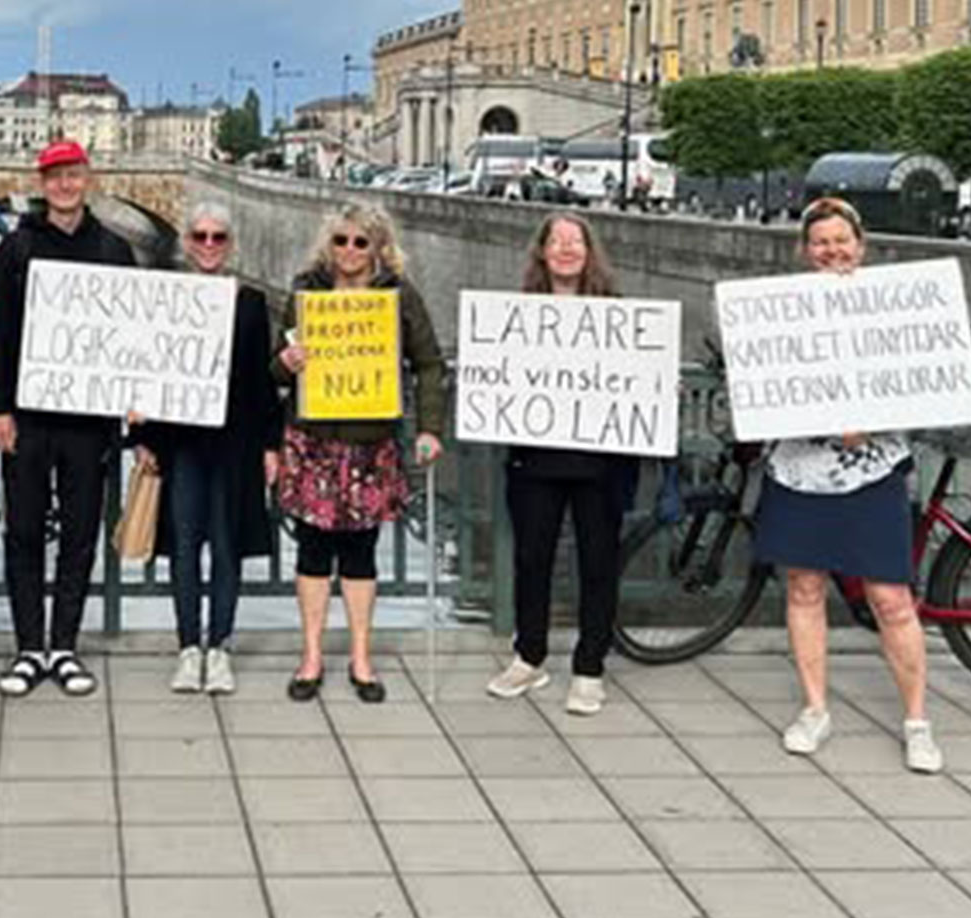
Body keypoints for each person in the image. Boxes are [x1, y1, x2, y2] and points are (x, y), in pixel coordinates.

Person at [752, 198, 942, 773]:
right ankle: (815, 708)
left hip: (872, 468)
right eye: (820, 242)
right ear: (805, 250)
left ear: (861, 245)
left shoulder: (895, 309)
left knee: (891, 597)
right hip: (799, 468)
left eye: (842, 240)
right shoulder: (782, 311)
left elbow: (925, 382)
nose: (832, 250)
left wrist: (872, 422)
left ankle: (917, 720)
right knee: (804, 588)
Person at [0, 139, 138, 698]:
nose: (65, 185)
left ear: (86, 179)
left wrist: (133, 403)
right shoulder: (16, 249)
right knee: (22, 532)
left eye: (73, 175)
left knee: (79, 534)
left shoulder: (115, 250)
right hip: (27, 417)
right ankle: (28, 647)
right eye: (55, 177)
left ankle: (64, 645)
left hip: (88, 419)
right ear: (42, 184)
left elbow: (132, 337)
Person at [273, 204, 445, 703]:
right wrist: (286, 363)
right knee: (310, 552)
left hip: (370, 444)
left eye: (360, 242)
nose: (348, 251)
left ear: (378, 247)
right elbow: (278, 370)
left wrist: (430, 428)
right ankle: (310, 656)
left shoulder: (397, 296)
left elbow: (429, 364)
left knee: (360, 555)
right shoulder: (307, 293)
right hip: (313, 442)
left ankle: (361, 657)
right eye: (341, 241)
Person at [485, 213, 637, 715]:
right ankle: (529, 655)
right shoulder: (520, 313)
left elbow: (636, 374)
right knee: (533, 559)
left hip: (601, 464)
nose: (568, 249)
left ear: (590, 252)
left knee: (598, 563)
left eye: (577, 241)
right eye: (558, 241)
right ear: (543, 252)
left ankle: (589, 666)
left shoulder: (616, 314)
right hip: (536, 461)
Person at [131, 202, 282, 695]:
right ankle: (187, 648)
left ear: (230, 244)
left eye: (219, 237)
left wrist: (270, 444)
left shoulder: (252, 303)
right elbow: (147, 372)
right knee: (183, 545)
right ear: (186, 242)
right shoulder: (166, 299)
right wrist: (143, 439)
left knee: (226, 545)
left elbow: (262, 382)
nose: (209, 244)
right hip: (181, 442)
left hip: (235, 442)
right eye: (200, 235)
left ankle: (219, 646)